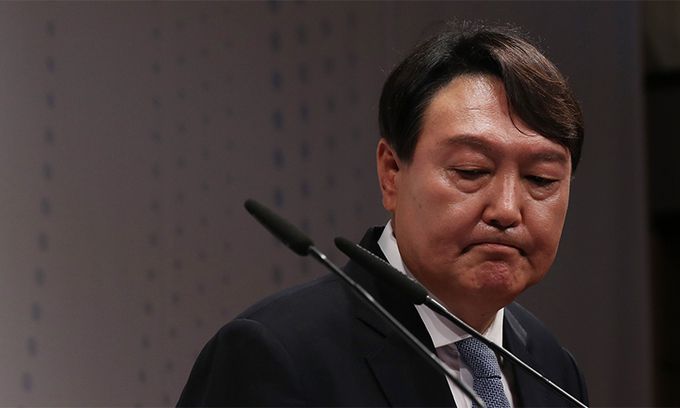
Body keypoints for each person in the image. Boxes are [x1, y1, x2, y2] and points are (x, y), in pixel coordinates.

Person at [177, 22, 589, 407]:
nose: (506, 209)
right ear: (391, 172)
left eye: (540, 179)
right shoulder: (276, 354)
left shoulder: (553, 368)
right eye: (471, 171)